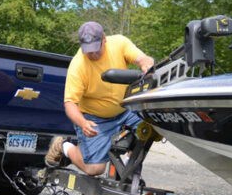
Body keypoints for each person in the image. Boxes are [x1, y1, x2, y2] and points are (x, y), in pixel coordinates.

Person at [45, 21, 155, 175]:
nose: (93, 54)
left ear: (104, 39)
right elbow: (70, 104)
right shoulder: (78, 66)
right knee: (94, 169)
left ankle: (127, 164)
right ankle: (63, 146)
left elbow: (143, 59)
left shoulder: (119, 43)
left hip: (125, 110)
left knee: (154, 123)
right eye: (88, 51)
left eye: (96, 49)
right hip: (94, 118)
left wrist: (146, 65)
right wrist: (83, 123)